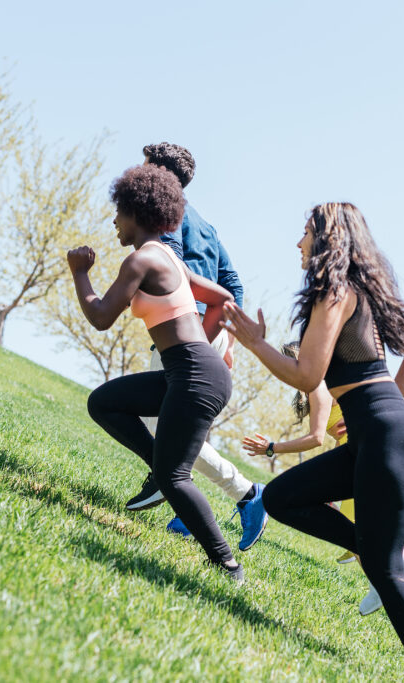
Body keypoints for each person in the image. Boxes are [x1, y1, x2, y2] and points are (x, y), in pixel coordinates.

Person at [223, 202, 404, 682]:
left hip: (386, 434)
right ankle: (371, 548)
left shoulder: (337, 291)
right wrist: (382, 403)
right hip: (380, 431)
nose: (298, 243)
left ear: (326, 239)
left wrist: (256, 343)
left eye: (304, 233)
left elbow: (308, 375)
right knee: (281, 496)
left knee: (386, 572)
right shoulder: (365, 295)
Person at [69, 164, 243, 581]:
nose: (114, 221)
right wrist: (203, 344)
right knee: (105, 403)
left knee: (174, 476)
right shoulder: (169, 257)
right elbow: (222, 298)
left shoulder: (143, 260)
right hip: (190, 371)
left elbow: (100, 316)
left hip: (194, 375)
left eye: (118, 212)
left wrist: (80, 273)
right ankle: (159, 465)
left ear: (136, 212)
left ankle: (227, 564)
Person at [123, 142, 267, 552]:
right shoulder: (205, 222)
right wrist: (227, 338)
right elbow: (232, 285)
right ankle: (183, 507)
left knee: (160, 425)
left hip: (186, 330)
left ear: (159, 173)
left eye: (145, 165)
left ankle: (244, 494)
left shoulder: (169, 216)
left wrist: (198, 340)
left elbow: (173, 268)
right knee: (182, 431)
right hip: (209, 326)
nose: (139, 170)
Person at [240, 343, 404, 614]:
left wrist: (272, 448)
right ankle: (382, 579)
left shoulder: (317, 385)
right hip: (354, 448)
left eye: (288, 363)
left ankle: (389, 571)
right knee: (351, 523)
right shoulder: (325, 385)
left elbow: (315, 438)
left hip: (361, 449)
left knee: (354, 525)